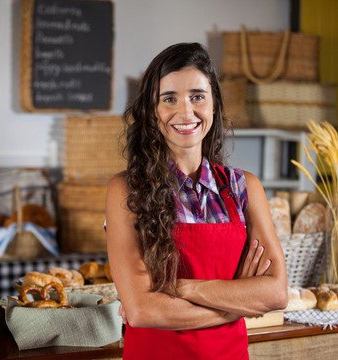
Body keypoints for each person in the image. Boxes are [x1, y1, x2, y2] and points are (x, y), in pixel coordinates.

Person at [105, 42, 288, 359]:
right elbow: (142, 311)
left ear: (214, 105)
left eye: (197, 97)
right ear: (152, 111)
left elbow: (275, 293)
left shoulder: (244, 187)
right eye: (169, 99)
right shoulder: (126, 190)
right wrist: (236, 303)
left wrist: (182, 287)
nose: (185, 111)